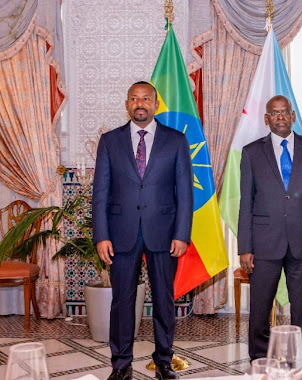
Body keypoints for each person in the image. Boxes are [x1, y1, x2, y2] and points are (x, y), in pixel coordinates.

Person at [92, 81, 193, 380]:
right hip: (120, 233)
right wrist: (101, 235)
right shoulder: (109, 141)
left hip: (164, 232)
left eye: (146, 98)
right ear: (127, 104)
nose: (140, 103)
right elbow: (101, 192)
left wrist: (182, 233)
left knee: (164, 299)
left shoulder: (176, 141)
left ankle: (164, 361)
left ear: (156, 103)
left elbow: (185, 192)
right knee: (121, 301)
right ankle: (121, 366)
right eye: (134, 99)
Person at [238, 95, 302, 361]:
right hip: (264, 242)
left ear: (293, 116)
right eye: (274, 113)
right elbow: (247, 202)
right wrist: (245, 247)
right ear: (267, 119)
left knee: (301, 306)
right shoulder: (252, 152)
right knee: (260, 305)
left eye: (285, 112)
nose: (280, 117)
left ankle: (299, 356)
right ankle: (259, 357)